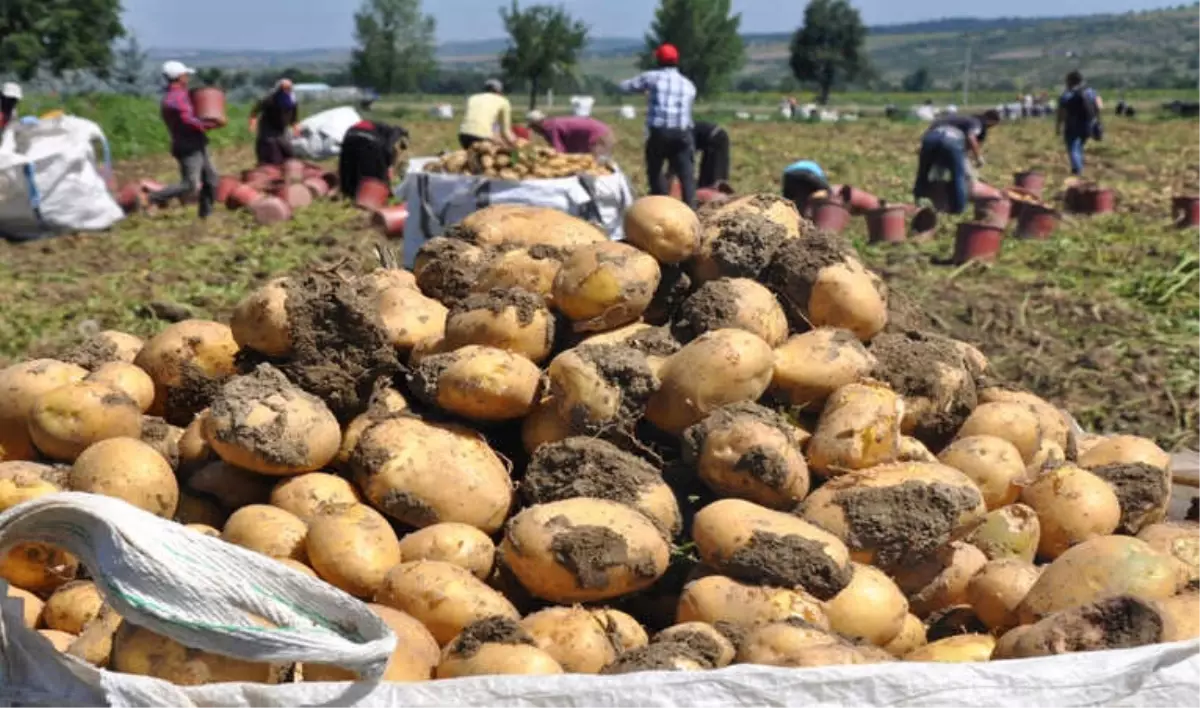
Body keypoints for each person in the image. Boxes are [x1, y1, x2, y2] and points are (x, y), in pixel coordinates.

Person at [619, 43, 698, 207]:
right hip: (683, 133)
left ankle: (660, 205)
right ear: (677, 60)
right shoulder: (688, 84)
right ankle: (691, 207)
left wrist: (643, 90)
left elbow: (625, 86)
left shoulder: (652, 77)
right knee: (686, 174)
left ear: (658, 60)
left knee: (655, 170)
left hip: (659, 132)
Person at [147, 61, 223, 218]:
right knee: (190, 185)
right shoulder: (176, 99)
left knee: (211, 179)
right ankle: (153, 197)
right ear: (180, 77)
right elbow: (188, 121)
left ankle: (205, 215)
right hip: (188, 146)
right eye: (186, 75)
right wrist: (209, 125)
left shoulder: (179, 95)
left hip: (197, 143)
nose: (187, 77)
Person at [913, 110, 1001, 215]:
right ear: (991, 121)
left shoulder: (951, 119)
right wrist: (978, 157)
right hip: (951, 141)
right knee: (958, 177)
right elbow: (971, 137)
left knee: (923, 173)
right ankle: (958, 209)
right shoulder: (976, 122)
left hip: (931, 139)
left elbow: (927, 135)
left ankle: (919, 202)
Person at [338, 118, 409, 199]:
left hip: (350, 136)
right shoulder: (397, 131)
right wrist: (388, 167)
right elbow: (388, 150)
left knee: (349, 167)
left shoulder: (380, 128)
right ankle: (376, 196)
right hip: (369, 138)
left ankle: (348, 193)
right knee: (377, 174)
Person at [1057, 71, 1103, 177]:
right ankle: (1078, 167)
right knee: (1079, 147)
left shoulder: (1066, 95)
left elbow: (1061, 114)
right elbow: (1100, 106)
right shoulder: (1091, 92)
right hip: (1088, 125)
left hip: (1072, 126)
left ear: (1069, 82)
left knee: (1073, 148)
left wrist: (1058, 127)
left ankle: (1078, 171)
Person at [249, 79, 300, 167]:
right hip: (268, 129)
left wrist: (296, 129)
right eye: (284, 88)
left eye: (289, 88)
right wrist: (253, 123)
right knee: (272, 152)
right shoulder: (270, 99)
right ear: (279, 88)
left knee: (288, 152)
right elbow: (255, 111)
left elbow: (294, 118)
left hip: (282, 130)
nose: (287, 90)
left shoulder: (292, 101)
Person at [525, 110, 615, 159]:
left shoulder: (550, 128)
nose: (534, 131)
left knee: (598, 166)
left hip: (598, 136)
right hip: (603, 131)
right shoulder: (552, 123)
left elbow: (560, 153)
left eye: (533, 128)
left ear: (536, 125)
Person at [458, 79, 515, 150]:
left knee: (470, 155)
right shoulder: (504, 101)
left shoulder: (472, 98)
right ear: (499, 91)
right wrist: (514, 144)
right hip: (483, 136)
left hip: (464, 134)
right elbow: (505, 131)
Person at [693, 121, 730, 190]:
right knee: (706, 176)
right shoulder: (681, 129)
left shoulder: (682, 136)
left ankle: (714, 192)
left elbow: (685, 161)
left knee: (714, 177)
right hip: (713, 137)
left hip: (716, 138)